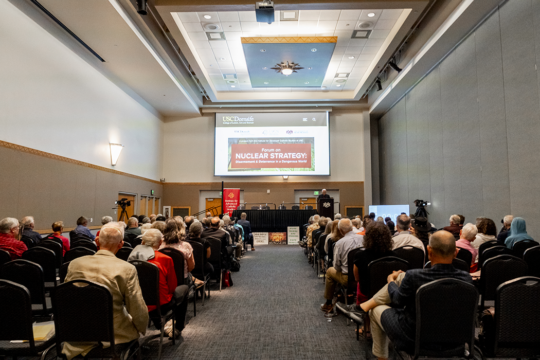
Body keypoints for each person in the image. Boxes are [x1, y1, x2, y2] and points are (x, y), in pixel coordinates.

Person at [359, 230, 473, 360]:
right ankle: (369, 303)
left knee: (375, 310)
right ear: (456, 253)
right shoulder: (466, 279)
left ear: (429, 251)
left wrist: (391, 282)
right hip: (455, 340)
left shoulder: (414, 276)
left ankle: (382, 357)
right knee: (401, 276)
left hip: (413, 338)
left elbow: (397, 302)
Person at [63, 223, 148, 359]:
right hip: (113, 336)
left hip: (76, 333)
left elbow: (65, 298)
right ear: (121, 244)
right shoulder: (126, 268)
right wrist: (141, 326)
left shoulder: (74, 264)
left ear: (96, 241)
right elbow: (136, 305)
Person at [129, 229, 189, 339]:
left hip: (135, 302)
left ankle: (159, 323)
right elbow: (172, 287)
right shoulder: (165, 259)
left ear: (142, 242)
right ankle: (178, 328)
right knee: (184, 288)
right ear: (160, 243)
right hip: (161, 304)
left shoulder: (132, 258)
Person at [350, 222, 396, 313]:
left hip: (366, 293)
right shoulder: (395, 256)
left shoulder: (359, 255)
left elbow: (357, 278)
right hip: (388, 293)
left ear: (367, 237)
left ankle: (365, 322)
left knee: (359, 284)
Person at [321, 219, 363, 313]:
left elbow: (337, 266)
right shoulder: (363, 239)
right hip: (363, 278)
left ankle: (328, 303)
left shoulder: (340, 243)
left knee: (329, 271)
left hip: (348, 279)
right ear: (352, 227)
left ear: (340, 230)